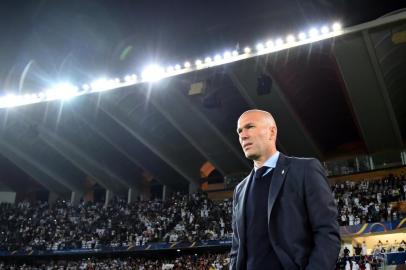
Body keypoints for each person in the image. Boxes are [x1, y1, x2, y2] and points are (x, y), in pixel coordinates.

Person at [230, 109, 340, 270]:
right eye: (239, 131)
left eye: (250, 127)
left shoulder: (305, 170)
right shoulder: (240, 190)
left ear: (271, 132)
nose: (243, 135)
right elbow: (236, 248)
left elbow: (327, 233)